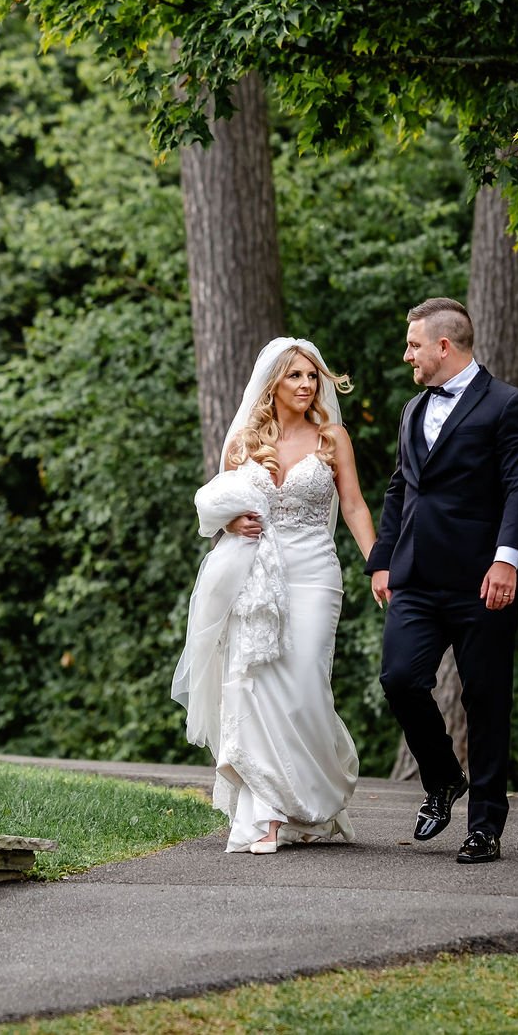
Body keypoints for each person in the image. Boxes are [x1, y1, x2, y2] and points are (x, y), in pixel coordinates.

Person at [172, 337, 377, 854]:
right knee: (256, 685)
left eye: (313, 376)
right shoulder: (244, 441)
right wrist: (233, 519)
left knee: (307, 681)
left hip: (314, 573)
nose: (307, 386)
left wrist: (379, 565)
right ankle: (266, 812)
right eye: (296, 377)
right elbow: (216, 502)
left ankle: (309, 800)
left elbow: (352, 506)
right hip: (256, 575)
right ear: (274, 384)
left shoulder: (332, 439)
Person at [367, 297, 518, 864]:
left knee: (486, 702)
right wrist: (383, 559)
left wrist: (506, 560)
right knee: (398, 677)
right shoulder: (412, 409)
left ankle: (485, 826)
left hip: (481, 581)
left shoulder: (508, 406)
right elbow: (400, 488)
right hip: (415, 577)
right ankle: (442, 778)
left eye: (414, 345)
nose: (406, 354)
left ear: (445, 346)